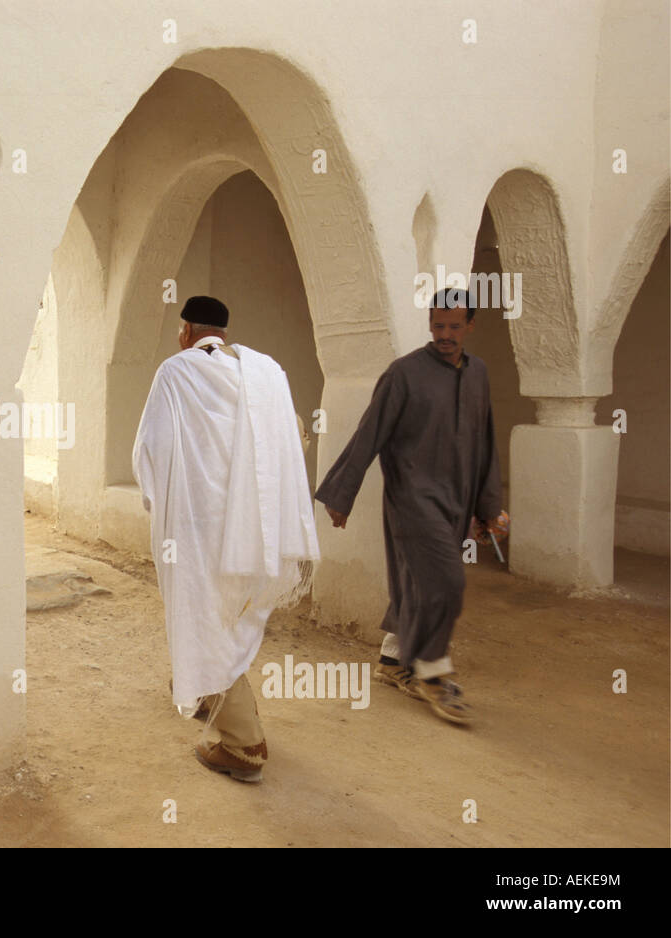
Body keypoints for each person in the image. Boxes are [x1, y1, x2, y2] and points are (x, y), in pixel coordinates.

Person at [133, 295, 319, 783]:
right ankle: (199, 690)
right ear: (224, 332)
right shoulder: (266, 372)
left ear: (186, 329)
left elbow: (151, 447)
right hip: (255, 526)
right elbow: (294, 437)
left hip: (198, 525)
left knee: (207, 617)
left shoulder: (176, 372)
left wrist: (159, 503)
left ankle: (244, 744)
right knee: (229, 614)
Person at [314, 287, 504, 725]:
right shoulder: (404, 374)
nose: (445, 334)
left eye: (455, 326)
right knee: (446, 582)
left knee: (418, 579)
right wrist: (343, 494)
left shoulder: (478, 375)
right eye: (438, 325)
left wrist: (488, 507)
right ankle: (432, 672)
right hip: (413, 498)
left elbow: (487, 441)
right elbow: (370, 432)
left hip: (456, 499)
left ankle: (393, 661)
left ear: (470, 326)